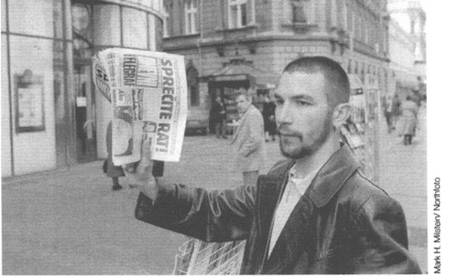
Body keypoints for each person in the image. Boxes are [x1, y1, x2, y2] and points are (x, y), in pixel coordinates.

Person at [124, 56, 421, 274]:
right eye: (280, 101)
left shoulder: (367, 206)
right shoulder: (278, 178)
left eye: (302, 103)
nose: (283, 116)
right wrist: (147, 183)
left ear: (340, 114)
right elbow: (215, 211)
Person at [231, 93, 266, 185]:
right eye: (237, 103)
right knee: (249, 189)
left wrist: (242, 152)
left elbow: (255, 139)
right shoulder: (248, 113)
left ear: (249, 101)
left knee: (250, 190)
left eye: (242, 101)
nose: (239, 105)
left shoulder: (252, 114)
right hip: (249, 161)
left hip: (251, 160)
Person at [106, 121, 125, 191]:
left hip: (113, 146)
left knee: (113, 161)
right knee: (129, 160)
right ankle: (131, 181)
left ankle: (115, 183)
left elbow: (108, 138)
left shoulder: (111, 123)